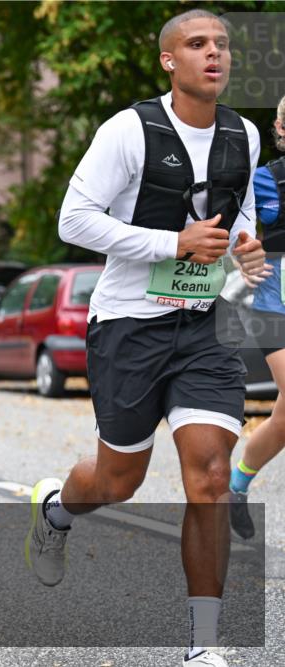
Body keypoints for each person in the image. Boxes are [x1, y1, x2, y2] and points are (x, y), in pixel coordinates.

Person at [26, 11, 268, 667]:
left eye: (221, 44)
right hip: (129, 324)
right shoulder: (129, 131)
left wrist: (244, 257)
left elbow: (239, 220)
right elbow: (74, 218)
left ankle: (204, 646)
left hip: (204, 327)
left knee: (212, 476)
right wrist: (174, 243)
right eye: (197, 45)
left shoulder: (243, 135)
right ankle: (56, 512)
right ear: (169, 61)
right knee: (116, 479)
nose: (213, 54)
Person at [229, 95, 285, 540]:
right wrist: (243, 259)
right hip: (275, 308)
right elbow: (232, 233)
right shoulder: (262, 180)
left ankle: (237, 485)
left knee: (283, 421)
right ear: (281, 130)